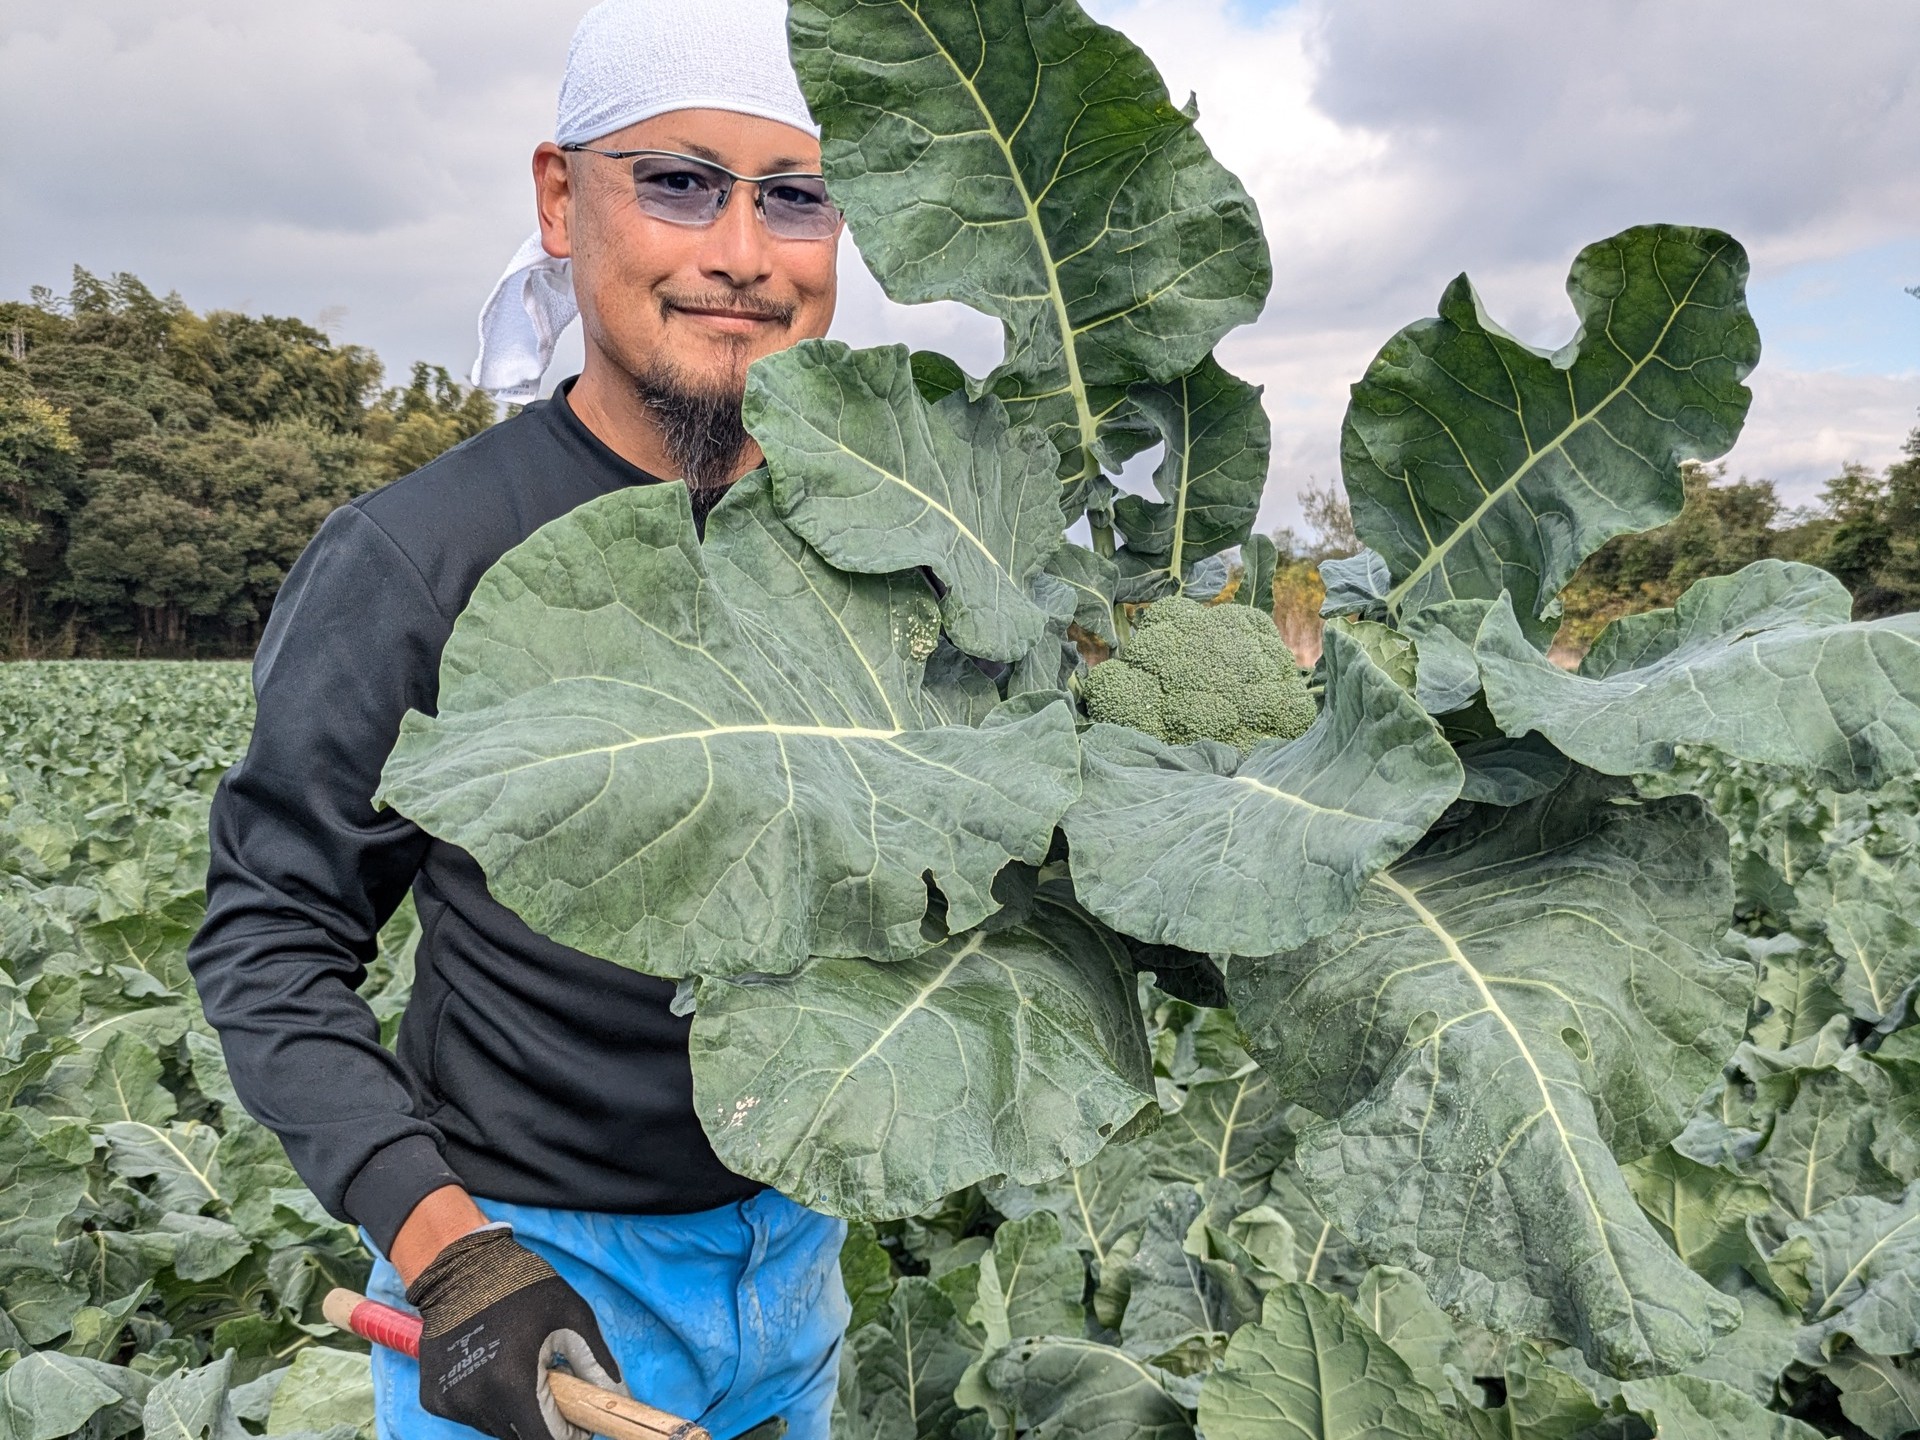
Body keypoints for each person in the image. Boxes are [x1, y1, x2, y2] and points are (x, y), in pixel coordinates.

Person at [186, 3, 851, 1437]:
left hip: (798, 1261)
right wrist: (456, 1258)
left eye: (793, 197)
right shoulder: (419, 556)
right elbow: (271, 935)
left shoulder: (875, 554)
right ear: (562, 199)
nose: (741, 252)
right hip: (530, 1276)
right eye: (678, 182)